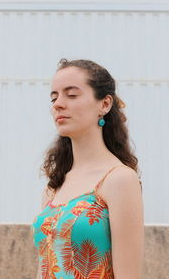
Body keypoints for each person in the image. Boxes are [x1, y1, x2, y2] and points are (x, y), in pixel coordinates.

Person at [31, 58, 144, 278]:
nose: (58, 104)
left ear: (105, 104)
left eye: (71, 95)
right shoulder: (54, 187)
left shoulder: (119, 179)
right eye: (54, 97)